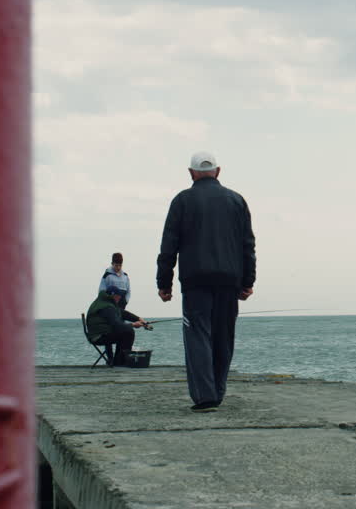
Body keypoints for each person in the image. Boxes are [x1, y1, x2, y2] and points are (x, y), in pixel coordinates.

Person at [156, 150, 257, 413]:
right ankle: (218, 391)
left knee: (198, 334)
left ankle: (205, 396)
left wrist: (164, 282)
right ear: (218, 171)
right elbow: (248, 245)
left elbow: (169, 245)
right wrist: (248, 281)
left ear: (191, 173)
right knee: (224, 336)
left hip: (195, 280)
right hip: (229, 279)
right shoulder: (237, 200)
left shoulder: (182, 201)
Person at [85, 285, 147, 367]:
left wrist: (139, 319)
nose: (120, 298)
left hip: (100, 334)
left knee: (125, 332)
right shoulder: (107, 307)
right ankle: (119, 363)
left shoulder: (105, 303)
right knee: (128, 332)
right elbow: (117, 325)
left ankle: (118, 362)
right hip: (99, 337)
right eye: (118, 296)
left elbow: (123, 313)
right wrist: (133, 325)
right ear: (113, 295)